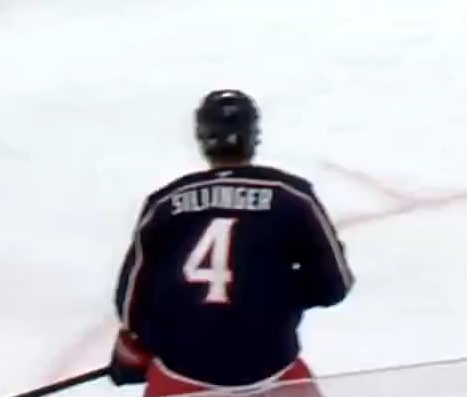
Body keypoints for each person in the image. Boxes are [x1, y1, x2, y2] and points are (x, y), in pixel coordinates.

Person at [109, 90, 354, 395]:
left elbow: (131, 300)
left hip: (183, 371)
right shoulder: (291, 195)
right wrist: (271, 295)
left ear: (201, 138)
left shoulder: (165, 203)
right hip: (270, 368)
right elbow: (334, 286)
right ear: (254, 136)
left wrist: (142, 342)